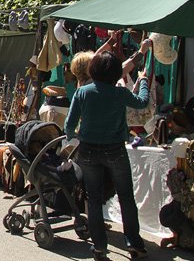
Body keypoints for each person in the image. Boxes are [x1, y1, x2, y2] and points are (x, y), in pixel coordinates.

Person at [64, 51, 150, 260]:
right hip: (115, 150)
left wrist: (74, 136)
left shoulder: (82, 92)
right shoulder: (119, 93)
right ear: (115, 73)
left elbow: (69, 125)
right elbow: (142, 102)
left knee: (93, 199)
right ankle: (133, 243)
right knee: (126, 197)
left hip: (88, 151)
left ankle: (100, 246)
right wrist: (144, 80)